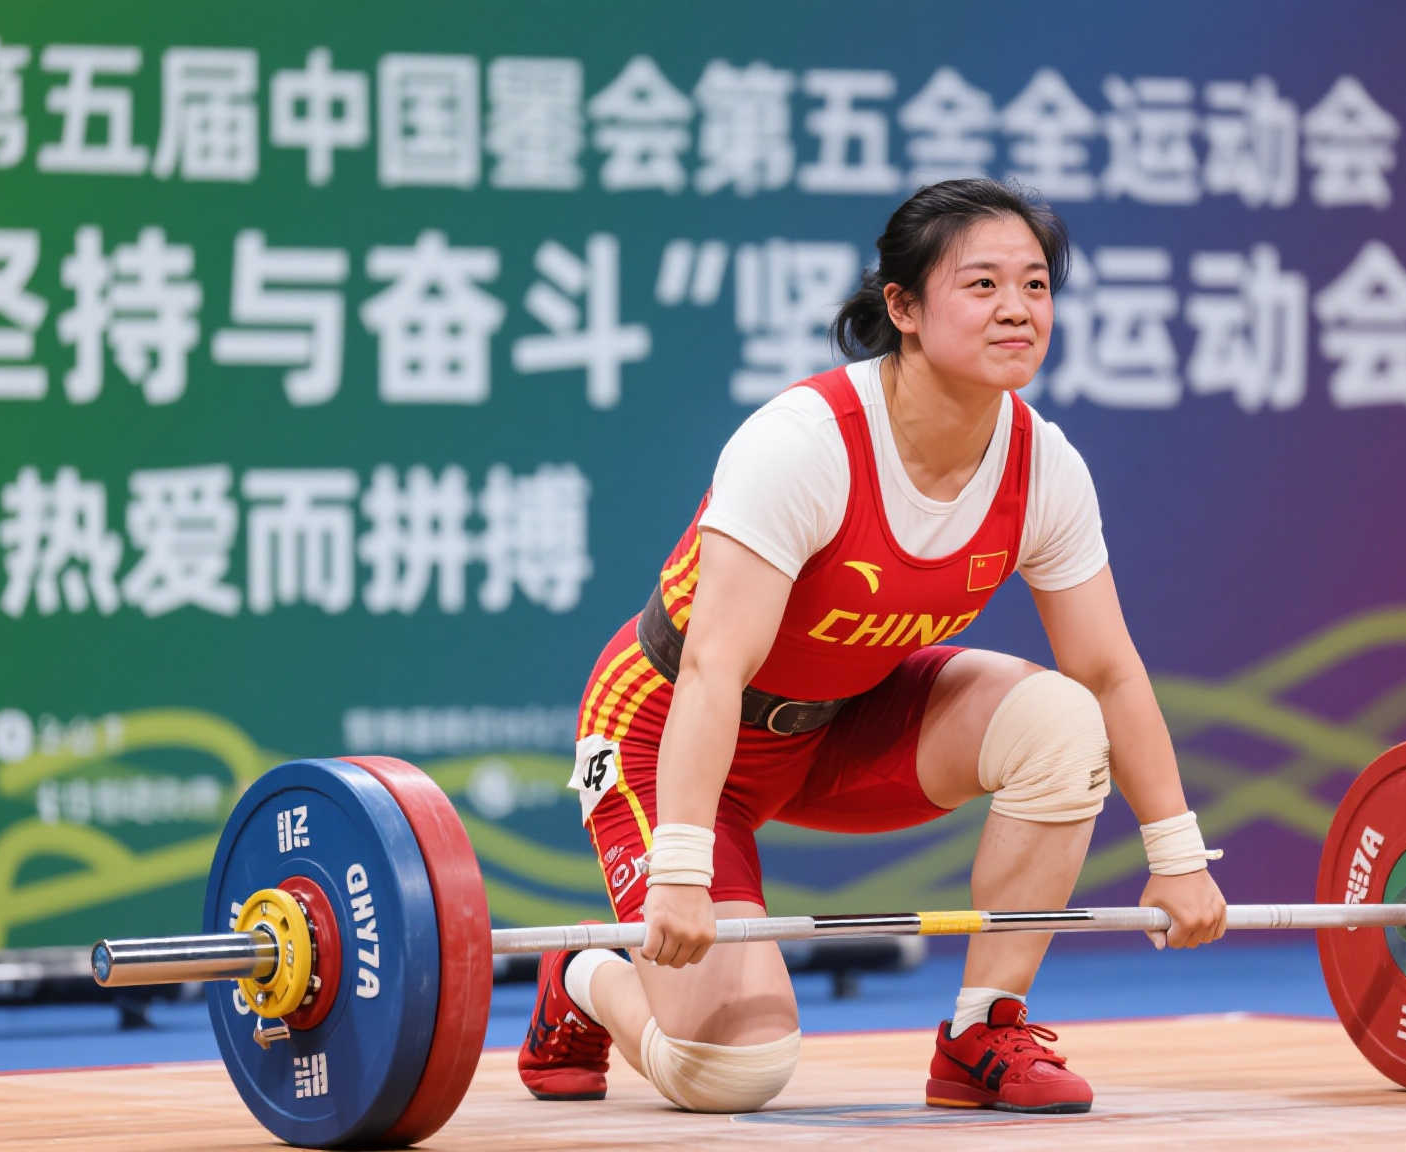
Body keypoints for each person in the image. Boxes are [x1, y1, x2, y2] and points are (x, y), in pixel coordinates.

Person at [520, 178, 1229, 1116]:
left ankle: (983, 1028)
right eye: (982, 285)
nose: (1018, 308)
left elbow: (1107, 671)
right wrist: (681, 873)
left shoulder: (1044, 466)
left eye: (1035, 285)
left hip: (837, 726)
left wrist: (1178, 853)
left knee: (1062, 723)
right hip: (665, 732)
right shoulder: (804, 445)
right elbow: (713, 667)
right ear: (902, 307)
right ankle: (588, 972)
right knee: (731, 1072)